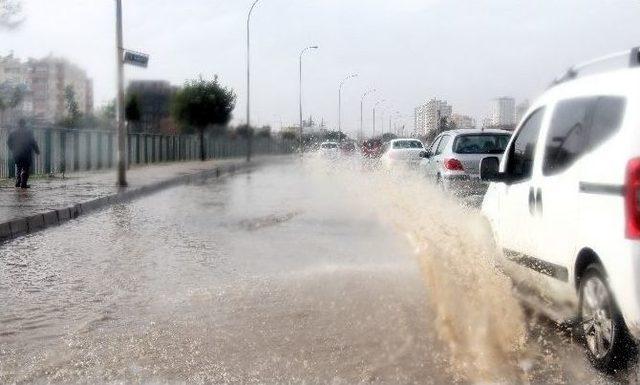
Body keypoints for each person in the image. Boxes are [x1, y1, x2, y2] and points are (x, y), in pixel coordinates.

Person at [7, 119, 40, 189]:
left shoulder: (12, 132)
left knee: (19, 167)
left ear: (18, 124)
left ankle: (18, 182)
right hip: (26, 153)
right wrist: (37, 150)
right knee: (26, 168)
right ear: (25, 124)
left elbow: (8, 142)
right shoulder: (29, 132)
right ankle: (23, 183)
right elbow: (33, 142)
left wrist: (13, 149)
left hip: (17, 153)